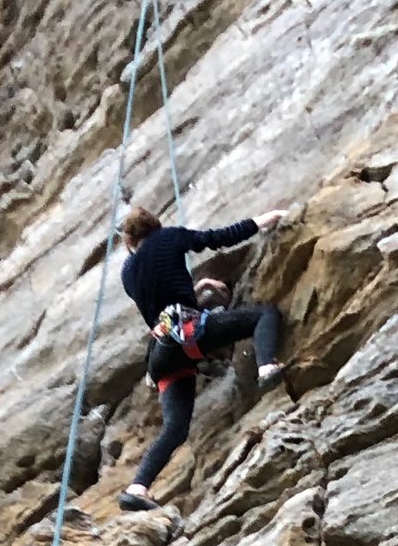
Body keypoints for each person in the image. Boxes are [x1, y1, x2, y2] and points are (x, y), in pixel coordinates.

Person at [117, 203, 294, 511]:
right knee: (264, 314)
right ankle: (266, 366)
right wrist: (264, 219)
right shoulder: (169, 237)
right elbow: (217, 238)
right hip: (190, 334)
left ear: (130, 240)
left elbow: (163, 298)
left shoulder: (127, 272)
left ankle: (137, 487)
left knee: (175, 428)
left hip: (163, 355)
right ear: (156, 225)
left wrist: (198, 287)